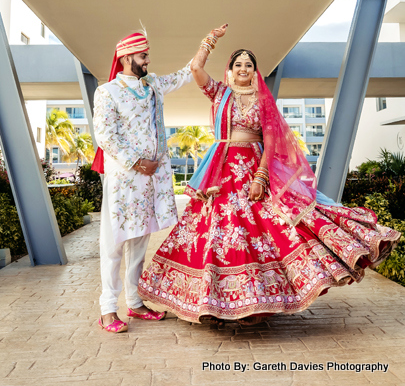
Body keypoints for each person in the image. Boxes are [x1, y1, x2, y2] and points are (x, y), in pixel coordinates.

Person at [138, 24, 401, 325]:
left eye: (248, 65)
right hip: (220, 172)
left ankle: (254, 303)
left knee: (264, 230)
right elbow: (196, 68)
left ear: (254, 71)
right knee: (214, 232)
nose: (243, 69)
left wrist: (261, 176)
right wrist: (209, 41)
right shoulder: (219, 93)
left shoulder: (263, 100)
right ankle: (212, 302)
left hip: (253, 167)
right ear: (230, 69)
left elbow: (272, 140)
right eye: (238, 64)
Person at [92, 30, 192, 332]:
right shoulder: (107, 92)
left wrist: (206, 45)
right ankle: (108, 309)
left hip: (151, 179)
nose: (148, 60)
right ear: (126, 58)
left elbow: (184, 75)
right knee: (114, 242)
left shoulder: (151, 85)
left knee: (140, 240)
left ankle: (134, 303)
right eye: (143, 55)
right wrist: (137, 162)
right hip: (124, 178)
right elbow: (106, 136)